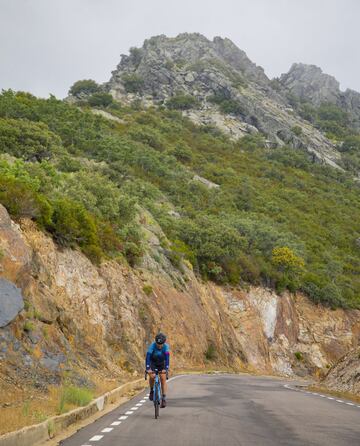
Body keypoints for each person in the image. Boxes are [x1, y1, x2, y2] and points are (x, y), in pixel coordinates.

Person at [145, 332, 170, 408]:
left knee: (163, 378)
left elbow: (167, 358)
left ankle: (164, 398)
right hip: (153, 363)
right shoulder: (152, 346)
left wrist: (166, 368)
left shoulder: (166, 347)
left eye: (161, 344)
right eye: (158, 344)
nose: (159, 346)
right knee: (152, 376)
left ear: (164, 343)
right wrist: (148, 368)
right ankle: (152, 391)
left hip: (162, 363)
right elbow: (148, 357)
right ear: (155, 342)